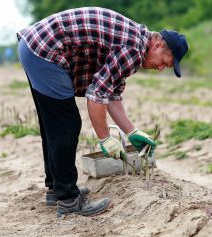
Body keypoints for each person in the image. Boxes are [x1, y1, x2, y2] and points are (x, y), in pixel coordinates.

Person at [17, 7, 188, 217]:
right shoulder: (133, 49)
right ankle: (68, 201)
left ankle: (57, 189)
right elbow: (97, 94)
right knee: (67, 124)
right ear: (159, 45)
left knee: (54, 124)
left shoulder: (136, 41)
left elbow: (112, 93)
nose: (161, 68)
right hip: (46, 50)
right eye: (164, 62)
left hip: (35, 45)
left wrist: (132, 132)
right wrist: (105, 138)